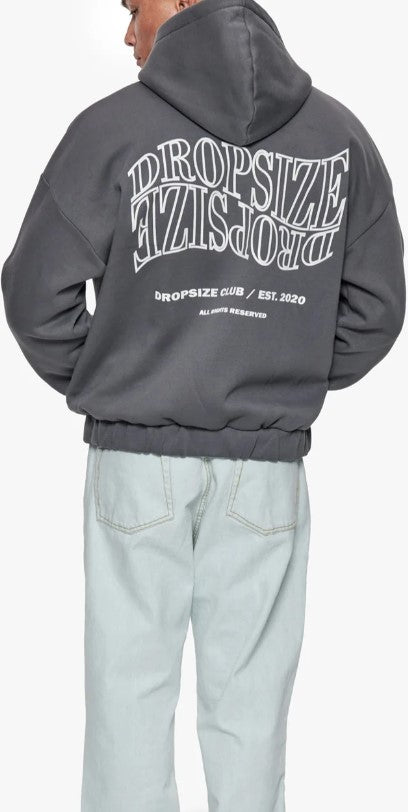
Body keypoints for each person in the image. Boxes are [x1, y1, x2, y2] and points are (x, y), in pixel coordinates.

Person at [1, 0, 406, 809]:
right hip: (267, 468)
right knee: (251, 711)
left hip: (135, 461)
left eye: (133, 5)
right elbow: (377, 307)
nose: (127, 31)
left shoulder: (109, 132)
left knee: (127, 699)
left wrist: (120, 380)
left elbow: (34, 292)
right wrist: (278, 373)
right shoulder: (339, 138)